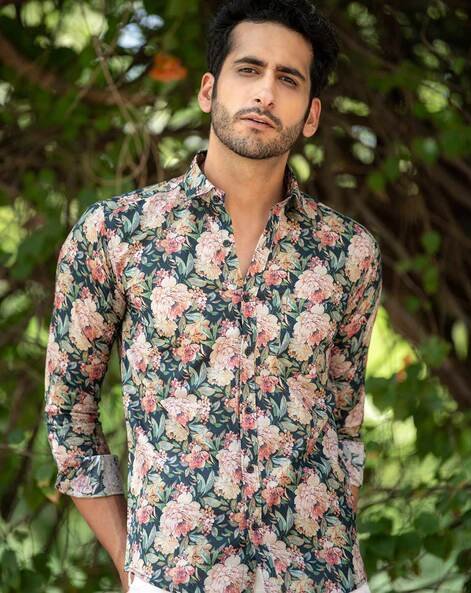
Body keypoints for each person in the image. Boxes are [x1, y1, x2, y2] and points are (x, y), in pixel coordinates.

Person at [43, 1, 383, 592]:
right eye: (248, 70)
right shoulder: (116, 235)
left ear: (311, 115)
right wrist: (133, 565)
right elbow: (69, 418)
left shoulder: (349, 253)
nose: (265, 93)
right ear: (209, 90)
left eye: (288, 79)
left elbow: (344, 427)